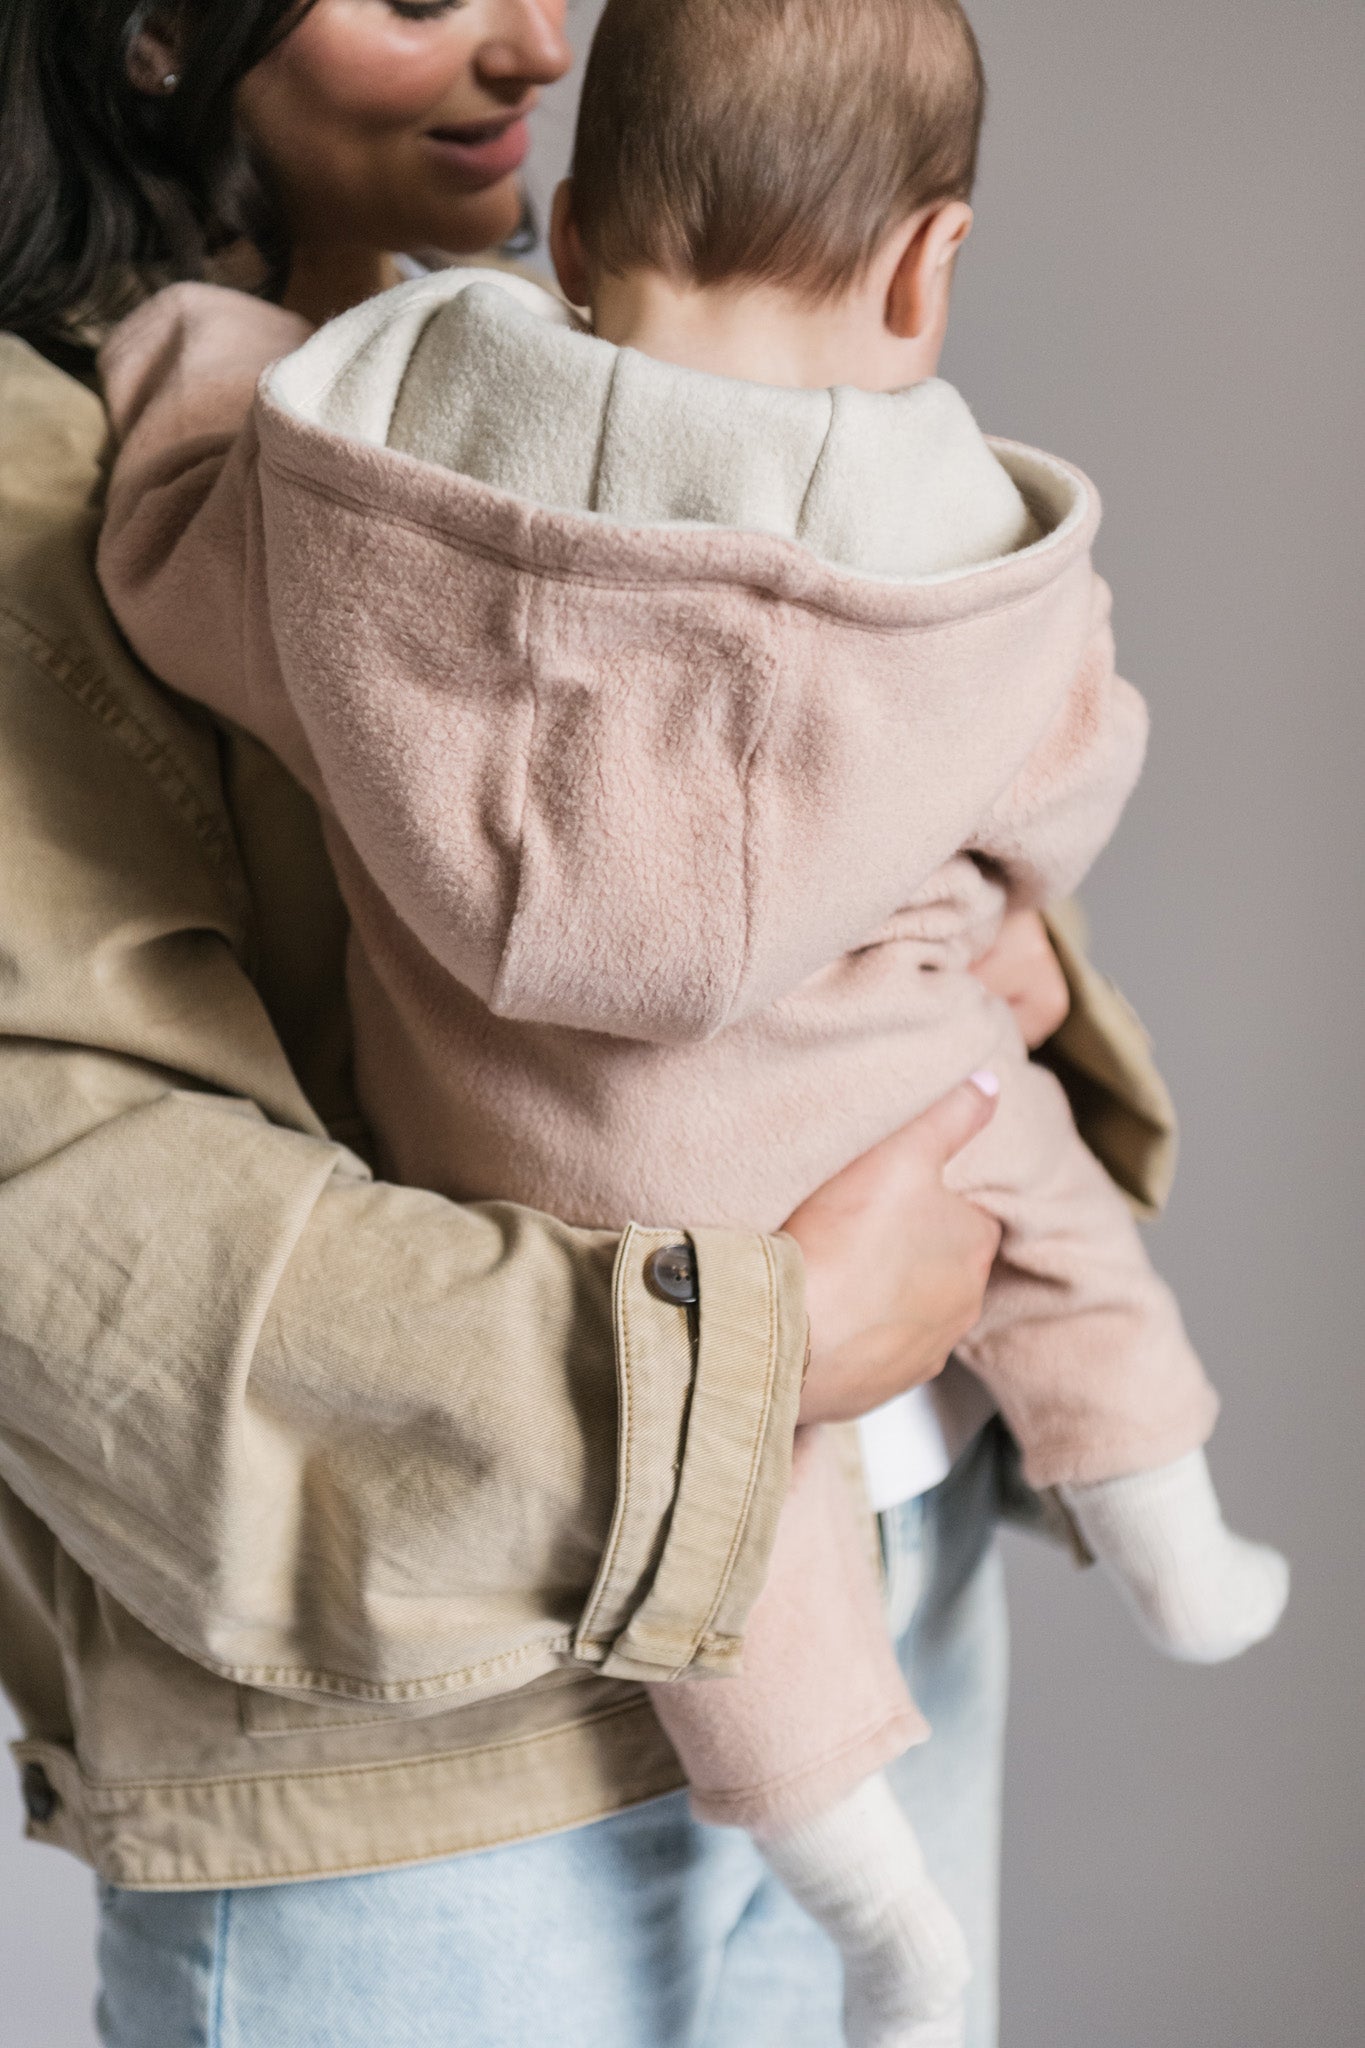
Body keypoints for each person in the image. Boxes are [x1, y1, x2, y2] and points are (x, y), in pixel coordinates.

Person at [92, 3, 1289, 2043]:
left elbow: (182, 574)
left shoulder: (376, 453)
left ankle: (857, 1884)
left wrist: (197, 367)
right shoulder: (943, 513)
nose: (517, 32)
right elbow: (1058, 765)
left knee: (731, 1512)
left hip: (564, 1171)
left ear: (570, 236)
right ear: (927, 265)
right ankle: (1160, 1505)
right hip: (836, 1136)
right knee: (1014, 1162)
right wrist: (991, 904)